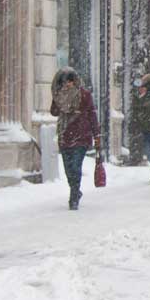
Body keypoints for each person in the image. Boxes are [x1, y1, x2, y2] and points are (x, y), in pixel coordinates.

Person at [50, 67, 101, 210]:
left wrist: (96, 134)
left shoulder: (84, 95)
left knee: (75, 166)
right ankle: (76, 190)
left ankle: (73, 196)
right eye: (65, 81)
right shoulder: (59, 96)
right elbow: (53, 112)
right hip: (65, 136)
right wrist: (56, 99)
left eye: (70, 81)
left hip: (81, 136)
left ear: (75, 81)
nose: (67, 84)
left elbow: (92, 114)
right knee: (68, 168)